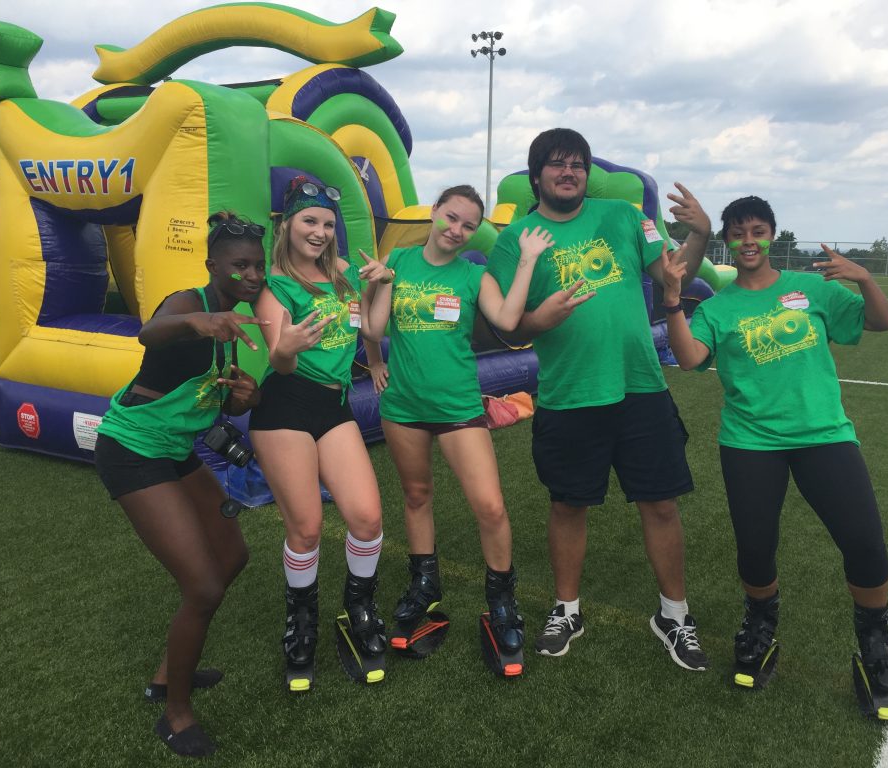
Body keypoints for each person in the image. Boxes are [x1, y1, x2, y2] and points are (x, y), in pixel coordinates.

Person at [660, 195, 888, 710]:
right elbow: (688, 357)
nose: (749, 241)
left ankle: (875, 644)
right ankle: (760, 623)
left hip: (825, 436)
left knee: (864, 542)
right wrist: (672, 301)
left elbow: (882, 323)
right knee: (755, 547)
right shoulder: (719, 308)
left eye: (758, 231)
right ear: (726, 240)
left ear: (772, 235)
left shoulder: (809, 288)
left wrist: (863, 277)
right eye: (739, 233)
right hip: (750, 443)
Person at [485, 128, 712, 670]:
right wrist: (544, 318)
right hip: (569, 393)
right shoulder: (515, 238)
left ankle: (674, 615)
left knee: (660, 502)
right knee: (568, 504)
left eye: (578, 164)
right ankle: (568, 609)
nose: (569, 173)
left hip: (640, 387)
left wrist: (700, 235)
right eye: (558, 165)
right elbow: (508, 324)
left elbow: (672, 278)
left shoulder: (621, 216)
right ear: (536, 173)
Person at [94, 211, 268, 757]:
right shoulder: (188, 304)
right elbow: (151, 331)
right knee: (203, 586)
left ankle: (168, 674)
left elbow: (212, 403)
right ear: (213, 265)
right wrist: (198, 323)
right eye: (240, 265)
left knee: (232, 556)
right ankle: (175, 713)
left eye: (258, 266)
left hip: (175, 451)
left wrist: (244, 398)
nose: (252, 275)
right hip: (131, 452)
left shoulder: (232, 325)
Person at [361, 184, 553, 666]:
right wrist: (372, 361)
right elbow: (372, 325)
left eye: (468, 225)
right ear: (434, 213)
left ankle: (501, 603)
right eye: (450, 218)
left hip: (458, 406)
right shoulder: (399, 262)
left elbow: (509, 319)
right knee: (417, 495)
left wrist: (527, 259)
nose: (456, 230)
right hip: (403, 404)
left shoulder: (472, 275)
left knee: (489, 506)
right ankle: (425, 585)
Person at [249, 176, 392, 690]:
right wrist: (287, 345)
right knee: (306, 528)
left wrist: (385, 283)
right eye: (310, 221)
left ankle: (360, 608)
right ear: (287, 226)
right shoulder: (274, 286)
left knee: (368, 517)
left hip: (333, 403)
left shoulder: (344, 276)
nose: (320, 231)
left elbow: (372, 331)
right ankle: (301, 622)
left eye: (328, 224)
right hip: (286, 405)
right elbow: (279, 362)